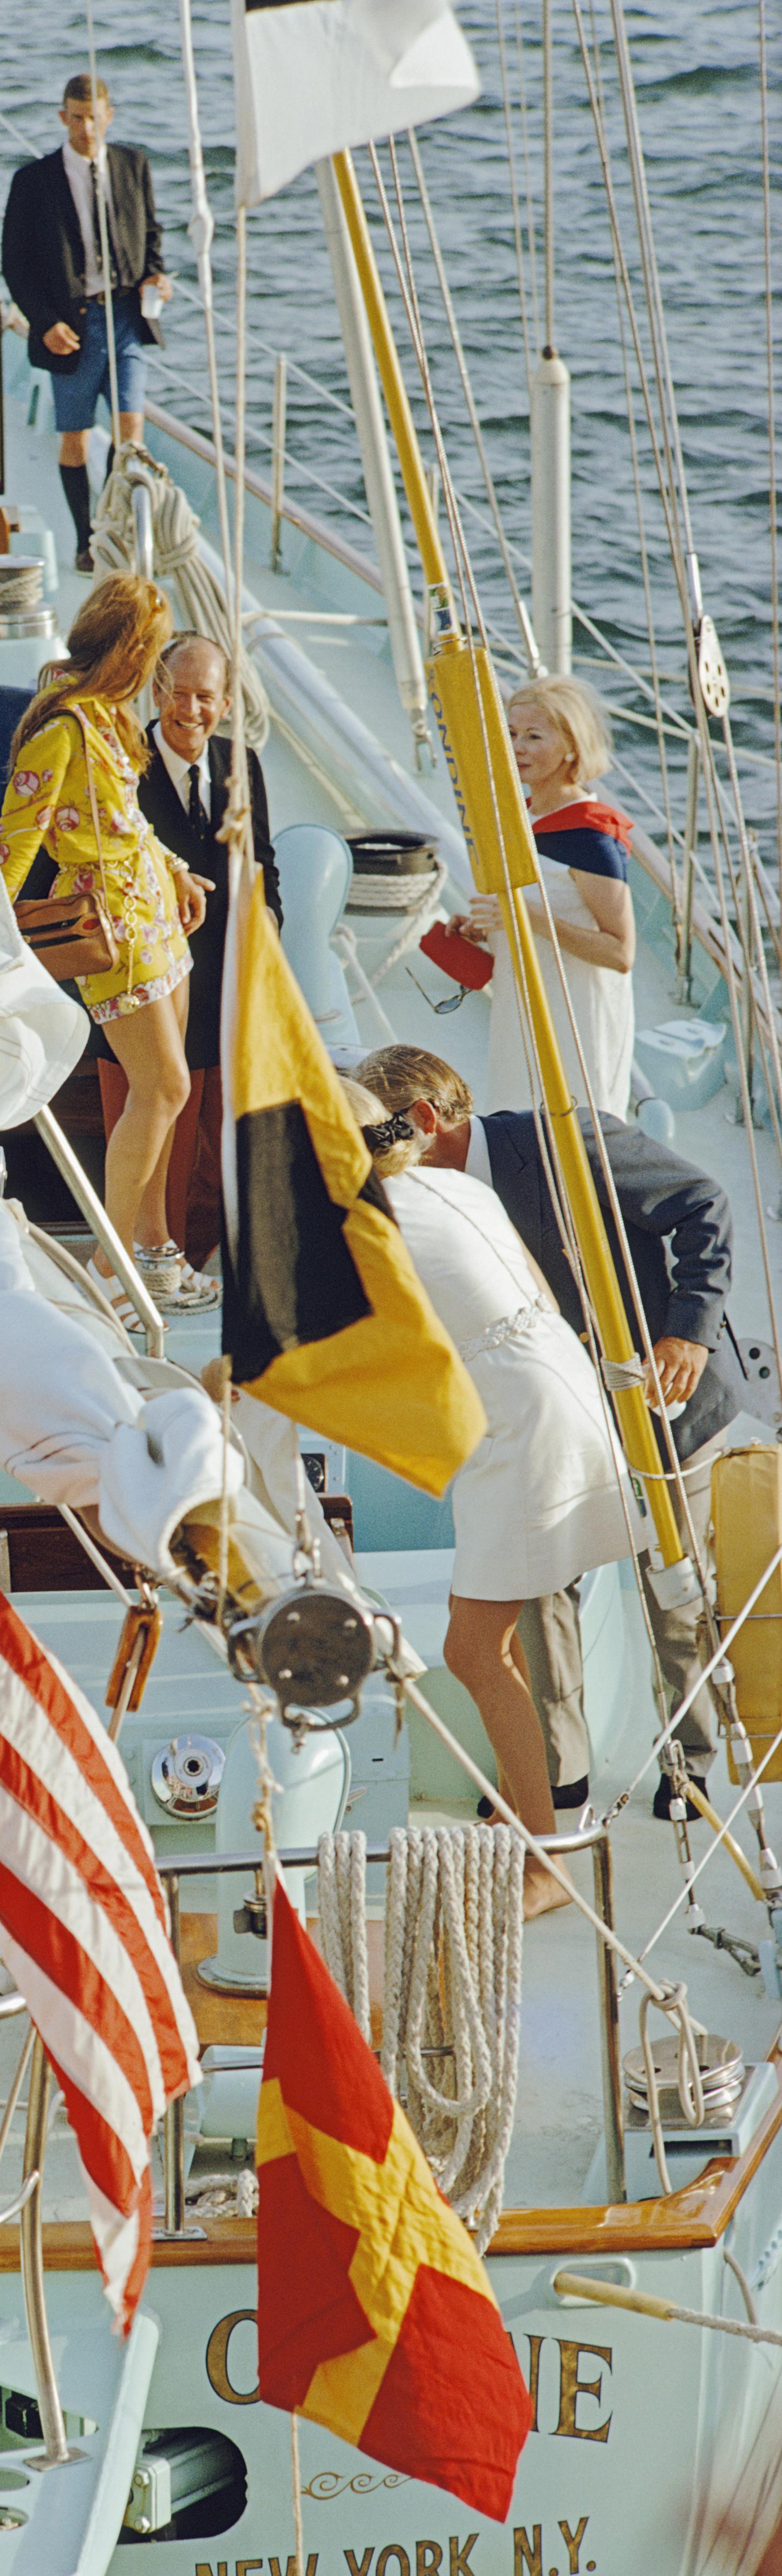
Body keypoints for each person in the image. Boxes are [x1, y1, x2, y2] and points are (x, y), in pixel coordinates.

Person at [359, 1042, 742, 1824]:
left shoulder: (568, 1141)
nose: (366, 1159)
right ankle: (558, 1777)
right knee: (536, 1596)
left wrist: (688, 1333)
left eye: (375, 1138)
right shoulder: (421, 1201)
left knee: (672, 1594)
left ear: (424, 1120)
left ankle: (689, 1765)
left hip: (667, 1399)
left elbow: (704, 1200)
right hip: (548, 1422)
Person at [343, 1078, 643, 1915]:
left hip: (515, 1425)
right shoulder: (452, 1184)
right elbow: (536, 1296)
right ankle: (524, 1815)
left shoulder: (370, 1221)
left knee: (476, 1652)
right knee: (491, 1640)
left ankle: (546, 1864)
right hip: (553, 1387)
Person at [0, 574, 206, 1307]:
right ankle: (108, 1272)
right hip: (113, 929)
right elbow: (15, 843)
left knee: (163, 1097)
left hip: (157, 920)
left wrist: (177, 870)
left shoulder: (109, 718)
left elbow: (132, 824)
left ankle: (155, 1255)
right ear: (133, 649)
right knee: (163, 1086)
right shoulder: (61, 730)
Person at [134, 629, 279, 1280]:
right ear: (156, 691)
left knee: (220, 1145)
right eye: (178, 693)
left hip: (226, 983)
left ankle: (201, 1258)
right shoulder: (122, 764)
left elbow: (265, 867)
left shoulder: (241, 764)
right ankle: (155, 1262)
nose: (190, 711)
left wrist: (269, 923)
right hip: (151, 986)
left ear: (225, 703)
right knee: (161, 1140)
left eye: (205, 697)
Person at [0, 73, 173, 573]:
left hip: (126, 317)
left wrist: (157, 276)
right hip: (72, 327)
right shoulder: (34, 182)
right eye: (76, 118)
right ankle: (87, 540)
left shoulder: (132, 165)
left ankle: (118, 525)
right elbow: (17, 265)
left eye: (94, 117)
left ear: (109, 116)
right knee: (75, 437)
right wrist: (45, 322)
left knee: (131, 428)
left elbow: (152, 232)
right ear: (63, 118)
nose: (86, 128)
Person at [449, 674, 635, 1120]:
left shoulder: (591, 834)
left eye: (534, 736)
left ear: (572, 745)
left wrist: (524, 917)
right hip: (522, 1011)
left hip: (576, 1024)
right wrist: (482, 930)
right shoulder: (522, 817)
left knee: (572, 1136)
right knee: (518, 1125)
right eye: (512, 734)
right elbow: (525, 915)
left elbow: (620, 952)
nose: (517, 747)